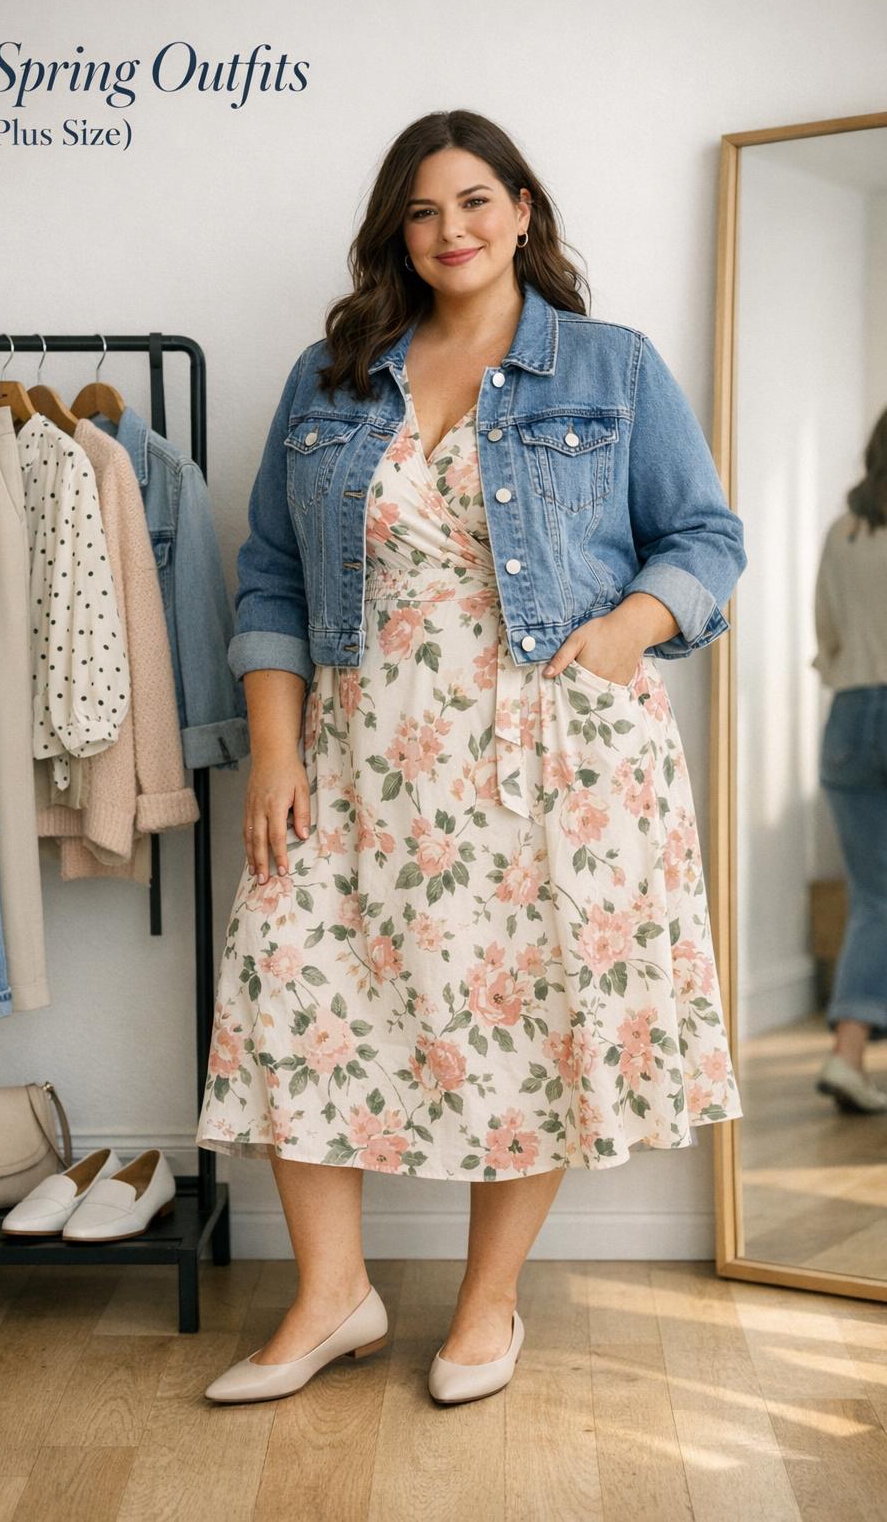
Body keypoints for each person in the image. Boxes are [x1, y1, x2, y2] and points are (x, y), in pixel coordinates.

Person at [197, 108, 747, 1406]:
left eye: (478, 202)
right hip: (358, 751)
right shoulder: (331, 378)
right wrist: (275, 752)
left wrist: (626, 630)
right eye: (427, 210)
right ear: (401, 228)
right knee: (292, 991)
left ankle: (487, 1308)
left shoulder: (609, 369)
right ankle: (332, 1297)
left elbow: (705, 537)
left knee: (528, 1010)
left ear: (525, 212)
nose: (454, 230)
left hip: (557, 756)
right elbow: (271, 568)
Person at [813, 406, 887, 1114]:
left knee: (876, 899)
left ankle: (847, 1057)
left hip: (849, 719)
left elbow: (826, 639)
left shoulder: (844, 532)